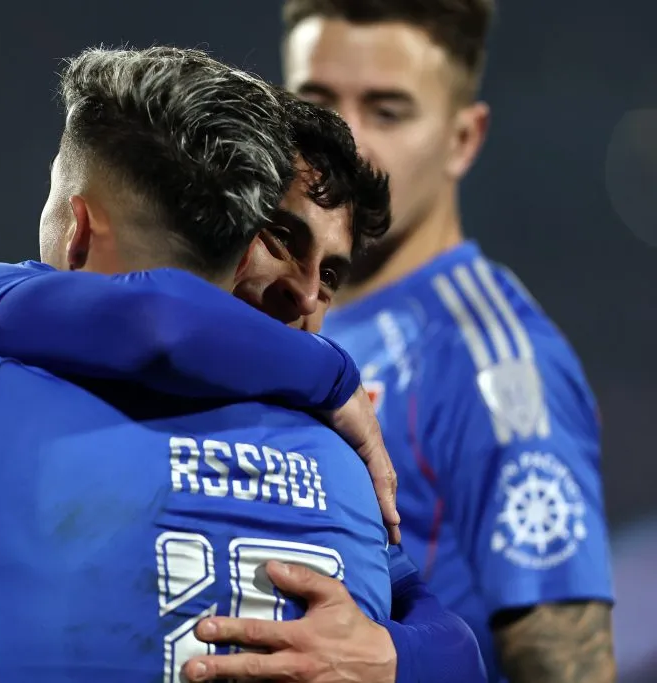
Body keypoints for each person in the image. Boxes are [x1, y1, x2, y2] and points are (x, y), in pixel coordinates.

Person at [0, 47, 482, 682]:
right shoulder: (336, 455)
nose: (306, 296)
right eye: (282, 238)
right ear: (229, 227)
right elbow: (156, 323)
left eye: (333, 275)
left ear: (76, 231)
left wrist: (388, 656)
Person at [204, 2, 614, 682]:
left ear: (462, 139)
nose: (346, 139)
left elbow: (568, 667)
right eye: (317, 100)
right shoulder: (276, 305)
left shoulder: (497, 363)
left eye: (387, 111)